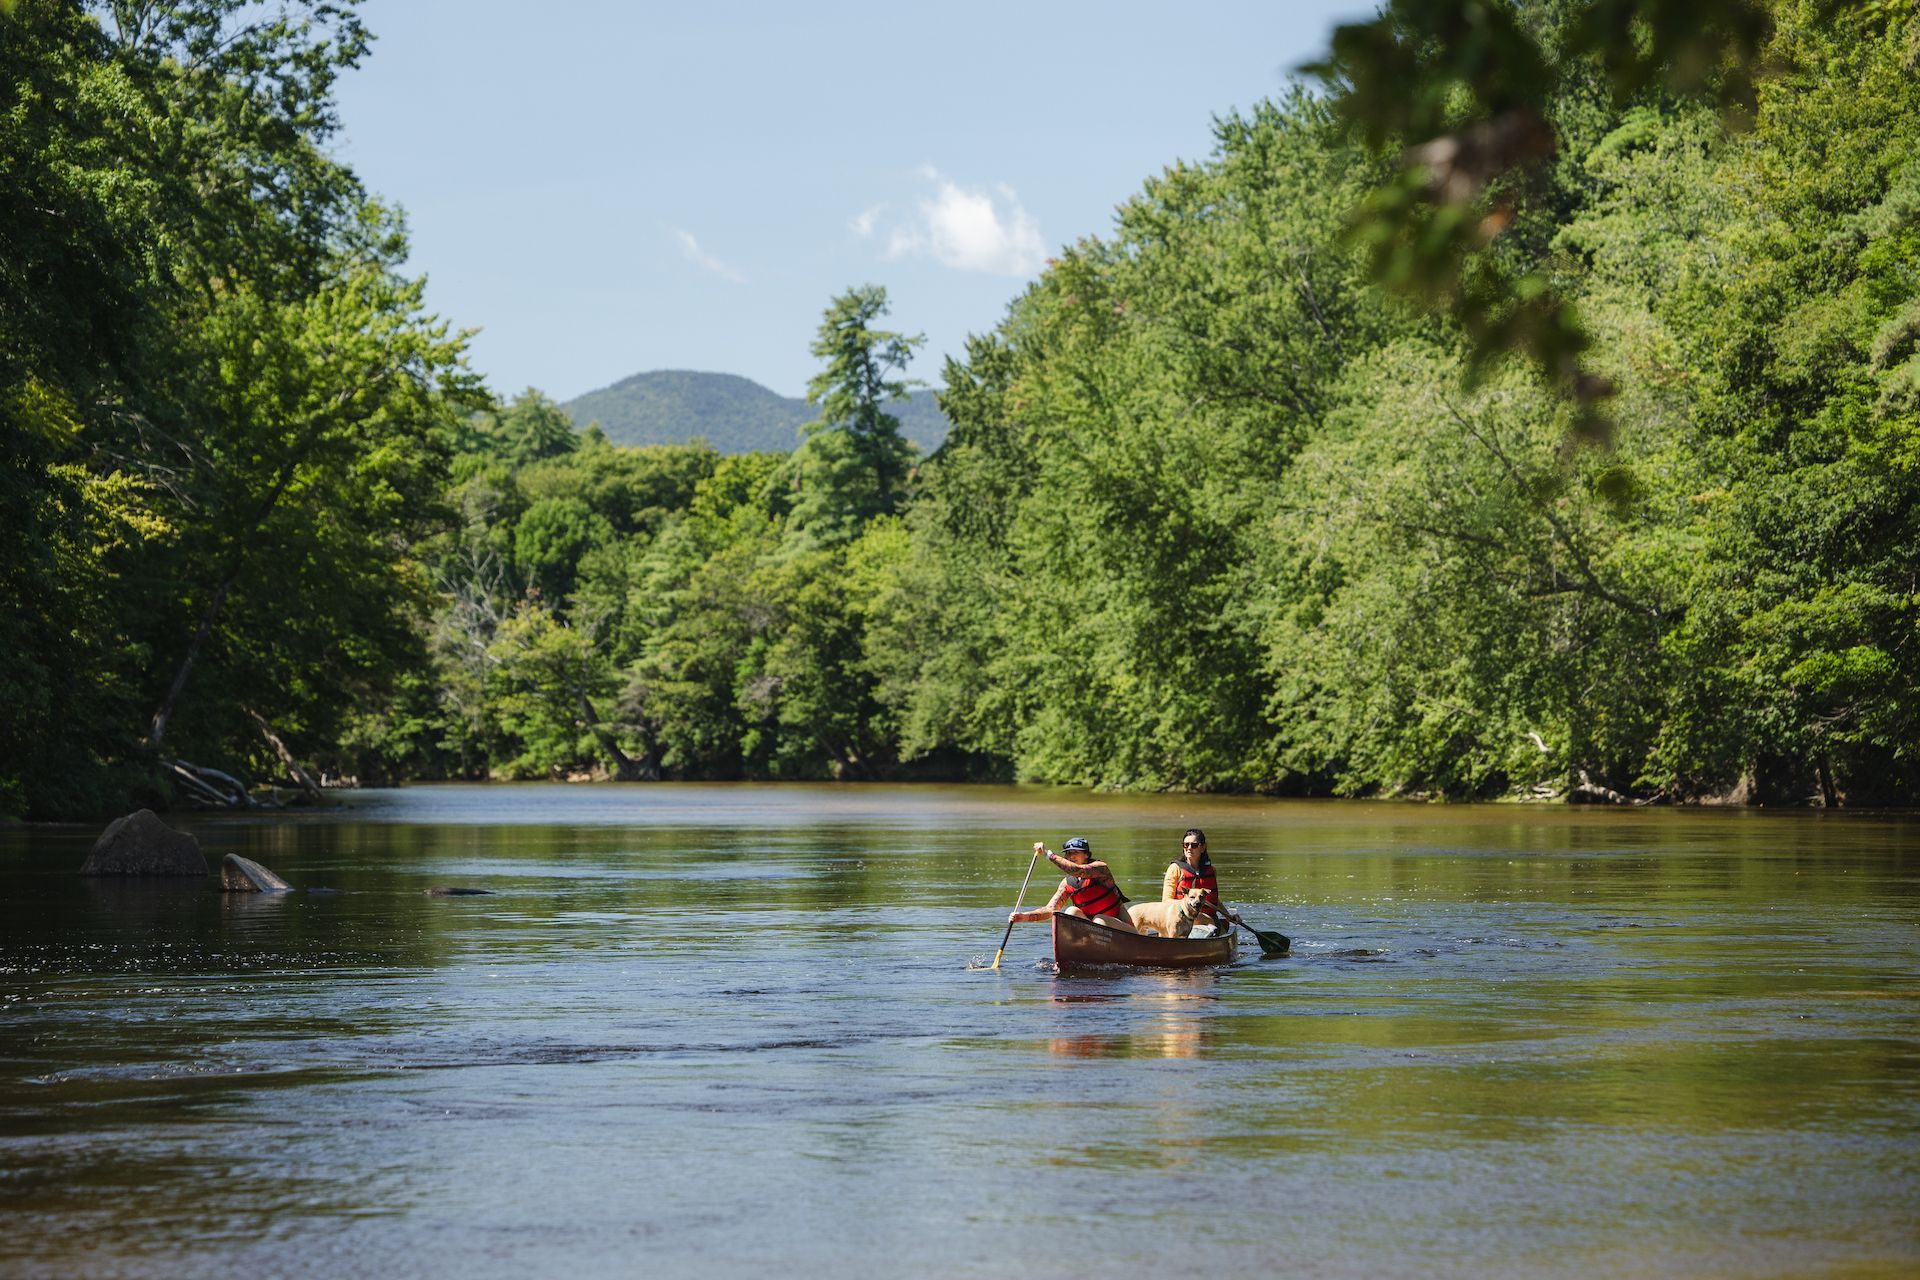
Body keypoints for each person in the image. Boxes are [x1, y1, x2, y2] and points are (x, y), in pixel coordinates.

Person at [1006, 836, 1139, 933]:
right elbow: (1050, 910)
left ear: (1086, 854)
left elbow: (1077, 870)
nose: (1071, 856)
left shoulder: (1101, 869)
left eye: (1076, 852)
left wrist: (1048, 854)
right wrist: (1023, 917)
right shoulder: (1067, 883)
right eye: (1068, 854)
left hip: (1124, 932)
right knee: (1070, 912)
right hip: (1096, 933)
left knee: (1099, 920)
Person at [1153, 828, 1242, 938]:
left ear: (1203, 848)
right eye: (1186, 845)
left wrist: (1228, 915)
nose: (1189, 848)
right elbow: (1166, 902)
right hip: (1181, 921)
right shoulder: (1175, 869)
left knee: (1210, 927)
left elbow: (1213, 901)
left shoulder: (1211, 870)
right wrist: (1195, 913)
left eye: (1194, 845)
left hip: (1210, 921)